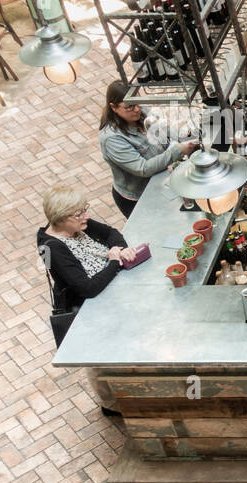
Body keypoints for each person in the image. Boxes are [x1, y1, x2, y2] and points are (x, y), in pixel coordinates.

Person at [37, 183, 137, 334]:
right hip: (97, 310)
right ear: (60, 218)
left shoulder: (76, 224)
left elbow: (110, 233)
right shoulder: (52, 248)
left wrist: (120, 249)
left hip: (115, 287)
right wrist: (114, 262)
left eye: (84, 210)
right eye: (79, 214)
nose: (86, 217)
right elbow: (87, 288)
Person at [98, 80, 199, 217]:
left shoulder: (139, 111)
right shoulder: (111, 138)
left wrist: (184, 137)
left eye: (137, 103)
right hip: (139, 197)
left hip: (161, 182)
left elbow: (164, 131)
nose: (137, 109)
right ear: (113, 107)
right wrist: (177, 151)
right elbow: (143, 168)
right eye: (129, 107)